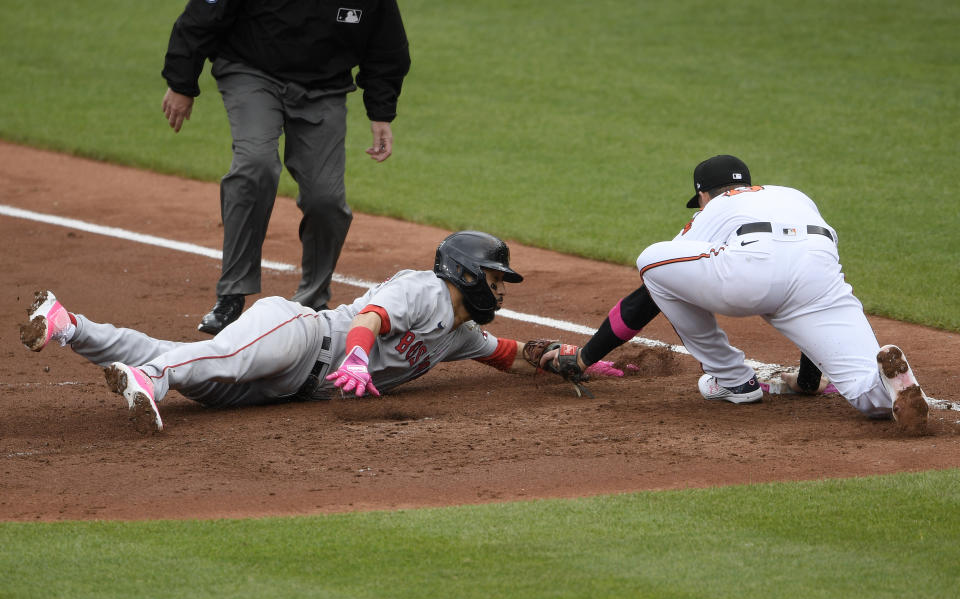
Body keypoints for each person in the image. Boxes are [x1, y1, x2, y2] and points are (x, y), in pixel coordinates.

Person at [539, 155, 930, 434]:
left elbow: (649, 295)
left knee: (653, 263)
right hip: (818, 268)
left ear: (704, 195)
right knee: (868, 399)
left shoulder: (715, 207)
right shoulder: (793, 196)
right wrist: (808, 381)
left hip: (752, 271)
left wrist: (587, 356)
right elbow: (799, 272)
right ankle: (891, 389)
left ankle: (732, 380)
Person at [19, 232, 539, 434]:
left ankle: (70, 326)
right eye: (497, 279)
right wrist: (356, 361)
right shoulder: (423, 290)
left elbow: (512, 354)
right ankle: (151, 380)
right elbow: (368, 320)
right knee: (217, 358)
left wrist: (582, 358)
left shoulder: (461, 334)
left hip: (285, 388)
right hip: (303, 336)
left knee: (196, 363)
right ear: (468, 274)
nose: (501, 290)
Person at [160, 1, 412, 334]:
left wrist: (381, 113)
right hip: (251, 70)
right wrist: (182, 82)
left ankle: (313, 303)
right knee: (255, 166)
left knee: (326, 200)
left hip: (325, 88)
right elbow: (203, 15)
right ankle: (232, 295)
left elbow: (387, 47)